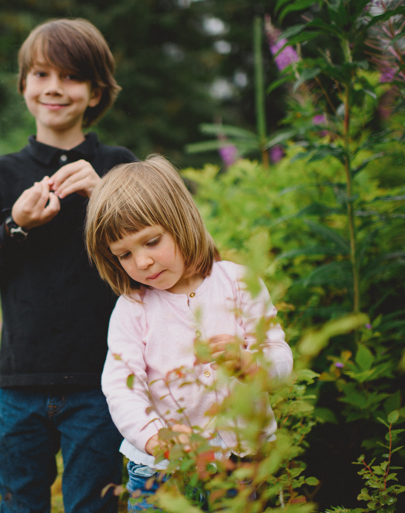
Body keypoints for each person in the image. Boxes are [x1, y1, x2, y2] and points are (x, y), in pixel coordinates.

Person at [0, 18, 137, 513]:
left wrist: (106, 194)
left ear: (97, 91)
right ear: (23, 86)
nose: (54, 88)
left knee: (93, 506)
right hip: (21, 383)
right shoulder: (1, 175)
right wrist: (16, 224)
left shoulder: (119, 166)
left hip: (100, 382)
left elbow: (153, 251)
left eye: (71, 76)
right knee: (19, 505)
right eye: (40, 74)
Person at [84, 156, 293, 511]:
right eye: (125, 255)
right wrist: (155, 438)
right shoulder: (133, 308)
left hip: (243, 464)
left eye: (151, 242)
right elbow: (120, 386)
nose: (142, 262)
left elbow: (279, 357)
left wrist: (251, 365)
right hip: (164, 473)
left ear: (181, 222)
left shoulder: (238, 283)